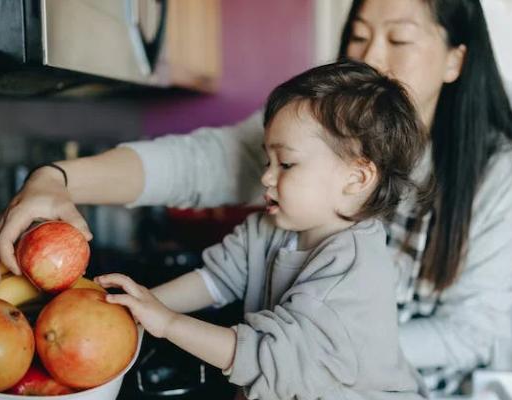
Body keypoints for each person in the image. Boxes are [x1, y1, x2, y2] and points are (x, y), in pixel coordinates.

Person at [0, 0, 512, 395]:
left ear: (457, 57)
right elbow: (211, 202)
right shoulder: (299, 169)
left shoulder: (493, 177)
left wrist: (317, 340)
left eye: (399, 37)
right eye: (358, 33)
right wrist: (57, 180)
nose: (370, 54)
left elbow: (465, 334)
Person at [95, 60, 429, 399]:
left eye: (286, 164)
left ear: (355, 179)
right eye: (268, 161)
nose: (267, 177)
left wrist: (166, 323)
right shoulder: (272, 227)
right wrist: (141, 307)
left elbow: (264, 356)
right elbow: (218, 279)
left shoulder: (352, 272)